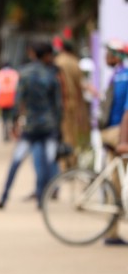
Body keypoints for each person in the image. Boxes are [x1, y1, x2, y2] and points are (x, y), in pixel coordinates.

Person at [14, 41, 62, 209]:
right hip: (49, 126)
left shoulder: (25, 72)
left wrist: (16, 121)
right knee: (49, 161)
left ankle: (3, 197)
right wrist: (58, 127)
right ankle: (45, 196)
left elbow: (19, 100)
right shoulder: (52, 74)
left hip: (31, 126)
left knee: (21, 161)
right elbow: (58, 105)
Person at [99, 39, 128, 245]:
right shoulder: (123, 76)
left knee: (115, 183)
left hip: (110, 132)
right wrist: (123, 140)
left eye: (109, 53)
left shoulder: (117, 76)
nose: (106, 56)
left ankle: (111, 232)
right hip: (119, 132)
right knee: (115, 182)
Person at [54, 38, 88, 170]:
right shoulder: (75, 62)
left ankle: (63, 164)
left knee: (63, 134)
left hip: (61, 103)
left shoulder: (57, 61)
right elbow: (80, 86)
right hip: (73, 103)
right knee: (72, 135)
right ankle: (72, 163)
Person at [0, 62, 20, 141]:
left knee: (4, 117)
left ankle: (5, 133)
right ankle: (13, 131)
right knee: (14, 116)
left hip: (2, 97)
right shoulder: (14, 74)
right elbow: (18, 86)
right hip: (12, 97)